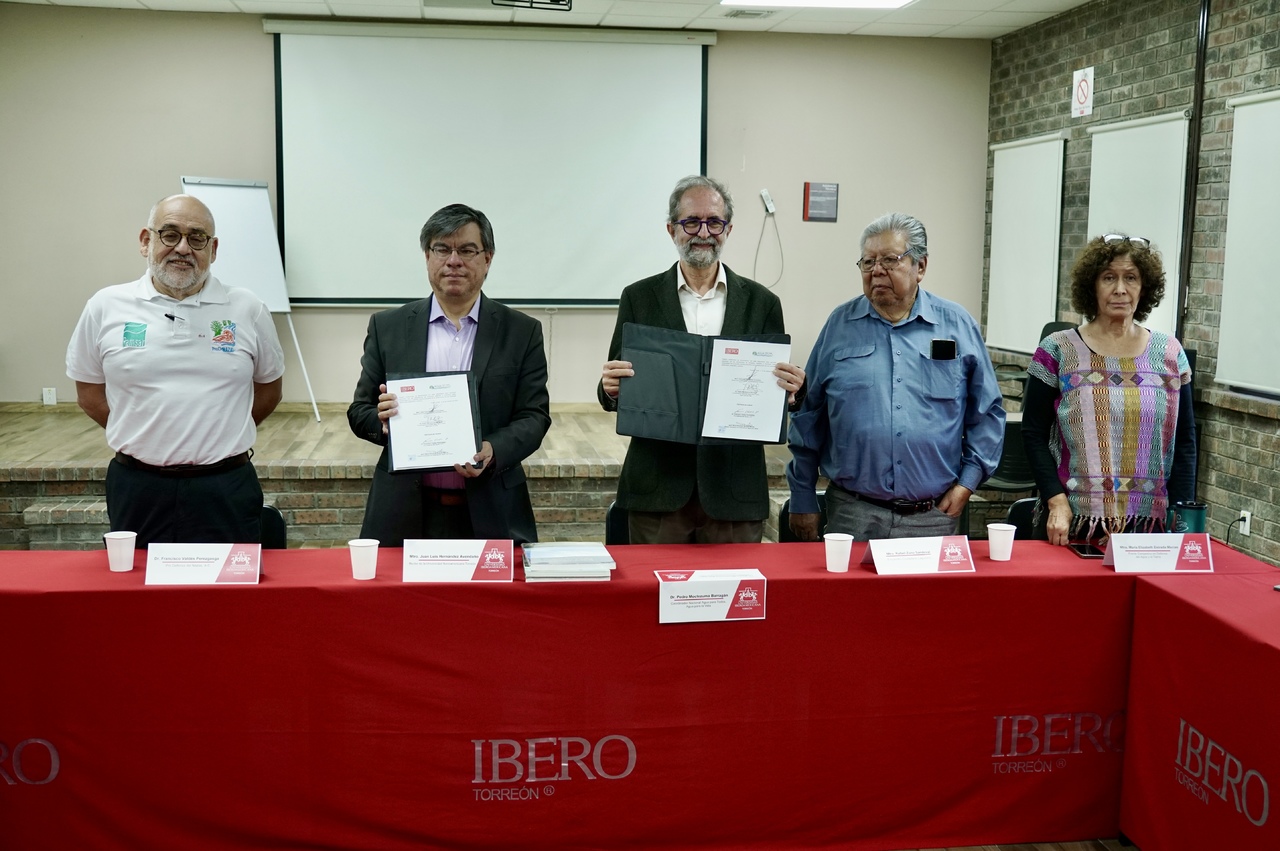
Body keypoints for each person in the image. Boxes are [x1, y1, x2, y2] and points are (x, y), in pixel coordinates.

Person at [66, 194, 285, 547]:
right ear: (145, 241)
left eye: (196, 238)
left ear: (213, 250)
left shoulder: (247, 308)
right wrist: (143, 429)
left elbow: (269, 391)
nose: (183, 248)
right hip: (138, 486)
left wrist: (223, 430)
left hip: (225, 485)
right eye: (169, 234)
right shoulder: (105, 306)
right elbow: (88, 393)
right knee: (139, 595)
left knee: (231, 596)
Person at [598, 176, 805, 544]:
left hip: (733, 491)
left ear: (728, 229)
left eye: (714, 222)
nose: (703, 232)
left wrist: (791, 392)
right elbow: (614, 385)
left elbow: (775, 393)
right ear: (671, 229)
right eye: (691, 222)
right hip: (657, 490)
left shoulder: (762, 303)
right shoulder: (639, 297)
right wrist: (610, 389)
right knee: (652, 598)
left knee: (734, 599)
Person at [786, 212, 1005, 542]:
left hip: (932, 516)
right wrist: (802, 496)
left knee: (926, 597)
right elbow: (809, 415)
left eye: (890, 259)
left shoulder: (957, 325)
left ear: (921, 267)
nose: (876, 270)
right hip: (853, 513)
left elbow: (987, 414)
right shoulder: (839, 326)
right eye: (867, 262)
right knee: (849, 596)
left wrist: (967, 484)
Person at [348, 203, 551, 547]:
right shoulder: (388, 327)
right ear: (427, 256)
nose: (453, 260)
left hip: (491, 509)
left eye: (467, 250)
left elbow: (534, 416)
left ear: (487, 258)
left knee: (493, 602)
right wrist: (383, 423)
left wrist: (493, 449)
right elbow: (359, 411)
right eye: (442, 249)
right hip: (403, 510)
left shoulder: (521, 331)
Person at [1021, 234, 1196, 545]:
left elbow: (1184, 442)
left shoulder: (1170, 353)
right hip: (1071, 523)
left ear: (1145, 288)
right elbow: (1033, 432)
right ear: (1092, 286)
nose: (1120, 289)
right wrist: (1055, 501)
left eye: (1131, 278)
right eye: (1108, 278)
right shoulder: (1058, 350)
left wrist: (1182, 517)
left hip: (1149, 528)